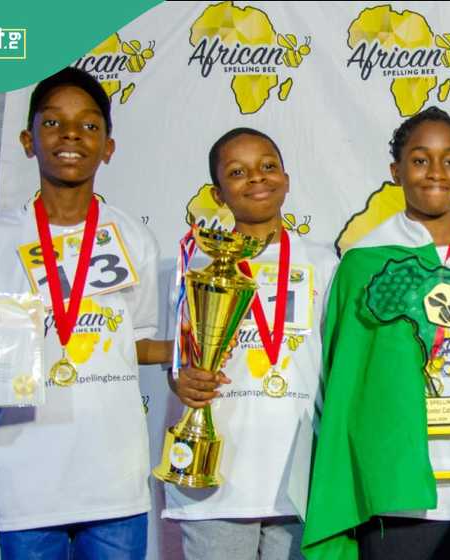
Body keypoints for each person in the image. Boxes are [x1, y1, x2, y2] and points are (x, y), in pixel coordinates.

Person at [0, 67, 165, 559]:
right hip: (28, 481)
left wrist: (192, 349)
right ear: (27, 140)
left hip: (115, 482)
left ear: (107, 146)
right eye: (53, 123)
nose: (70, 136)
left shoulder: (134, 239)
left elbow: (139, 341)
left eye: (88, 125)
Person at [301, 107, 450, 559]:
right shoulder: (365, 262)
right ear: (396, 171)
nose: (436, 173)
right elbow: (344, 381)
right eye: (420, 159)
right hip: (393, 492)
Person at [163, 127, 337, 560]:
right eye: (238, 172)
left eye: (268, 166)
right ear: (219, 194)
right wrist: (180, 380)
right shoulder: (196, 263)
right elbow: (180, 362)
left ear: (286, 178)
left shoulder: (323, 262)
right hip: (218, 478)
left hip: (298, 475)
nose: (257, 178)